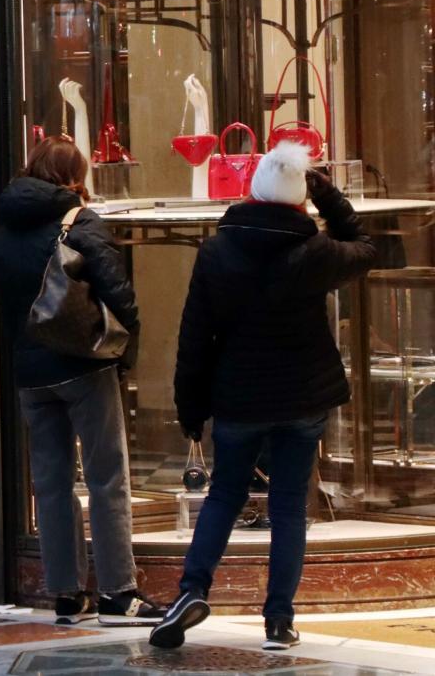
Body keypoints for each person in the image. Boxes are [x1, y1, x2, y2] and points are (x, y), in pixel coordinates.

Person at [150, 142, 375, 651]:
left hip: (238, 399)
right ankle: (279, 619)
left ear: (251, 193)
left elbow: (194, 336)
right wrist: (327, 194)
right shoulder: (315, 252)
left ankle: (192, 591)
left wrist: (190, 407)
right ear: (300, 202)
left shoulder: (217, 251)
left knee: (224, 496)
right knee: (290, 507)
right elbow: (364, 246)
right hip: (302, 399)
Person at [0, 136, 163, 626]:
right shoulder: (78, 221)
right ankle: (118, 592)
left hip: (30, 372)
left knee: (50, 483)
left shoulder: (4, 227)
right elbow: (117, 289)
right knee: (108, 477)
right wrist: (128, 345)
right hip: (84, 365)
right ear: (73, 178)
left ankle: (66, 592)